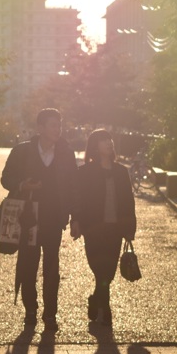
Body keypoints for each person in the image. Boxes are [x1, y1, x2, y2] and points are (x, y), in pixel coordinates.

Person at [0, 108, 77, 331]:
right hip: (28, 218)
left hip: (54, 217)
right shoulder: (22, 151)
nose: (58, 129)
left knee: (52, 267)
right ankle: (30, 310)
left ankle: (50, 314)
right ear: (40, 128)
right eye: (53, 125)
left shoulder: (65, 153)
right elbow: (6, 178)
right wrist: (23, 185)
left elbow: (73, 187)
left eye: (59, 125)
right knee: (28, 264)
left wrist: (74, 217)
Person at [70, 129, 136, 327]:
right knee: (99, 268)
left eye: (110, 139)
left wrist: (129, 228)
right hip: (93, 228)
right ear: (95, 146)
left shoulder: (121, 172)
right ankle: (104, 307)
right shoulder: (85, 172)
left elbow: (128, 201)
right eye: (103, 140)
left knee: (109, 271)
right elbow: (78, 199)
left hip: (115, 229)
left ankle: (97, 300)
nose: (109, 143)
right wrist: (76, 221)